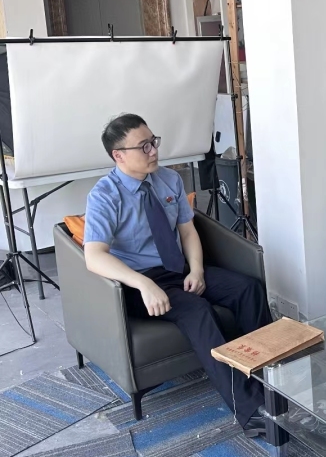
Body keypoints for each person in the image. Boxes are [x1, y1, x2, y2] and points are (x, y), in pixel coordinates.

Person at [83, 113, 271, 435]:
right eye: (144, 146)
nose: (154, 151)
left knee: (248, 288)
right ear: (119, 155)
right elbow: (94, 256)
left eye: (153, 141)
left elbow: (187, 231)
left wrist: (197, 269)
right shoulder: (104, 195)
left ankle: (270, 377)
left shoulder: (169, 180)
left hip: (179, 270)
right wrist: (143, 284)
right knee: (198, 310)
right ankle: (252, 411)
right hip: (139, 283)